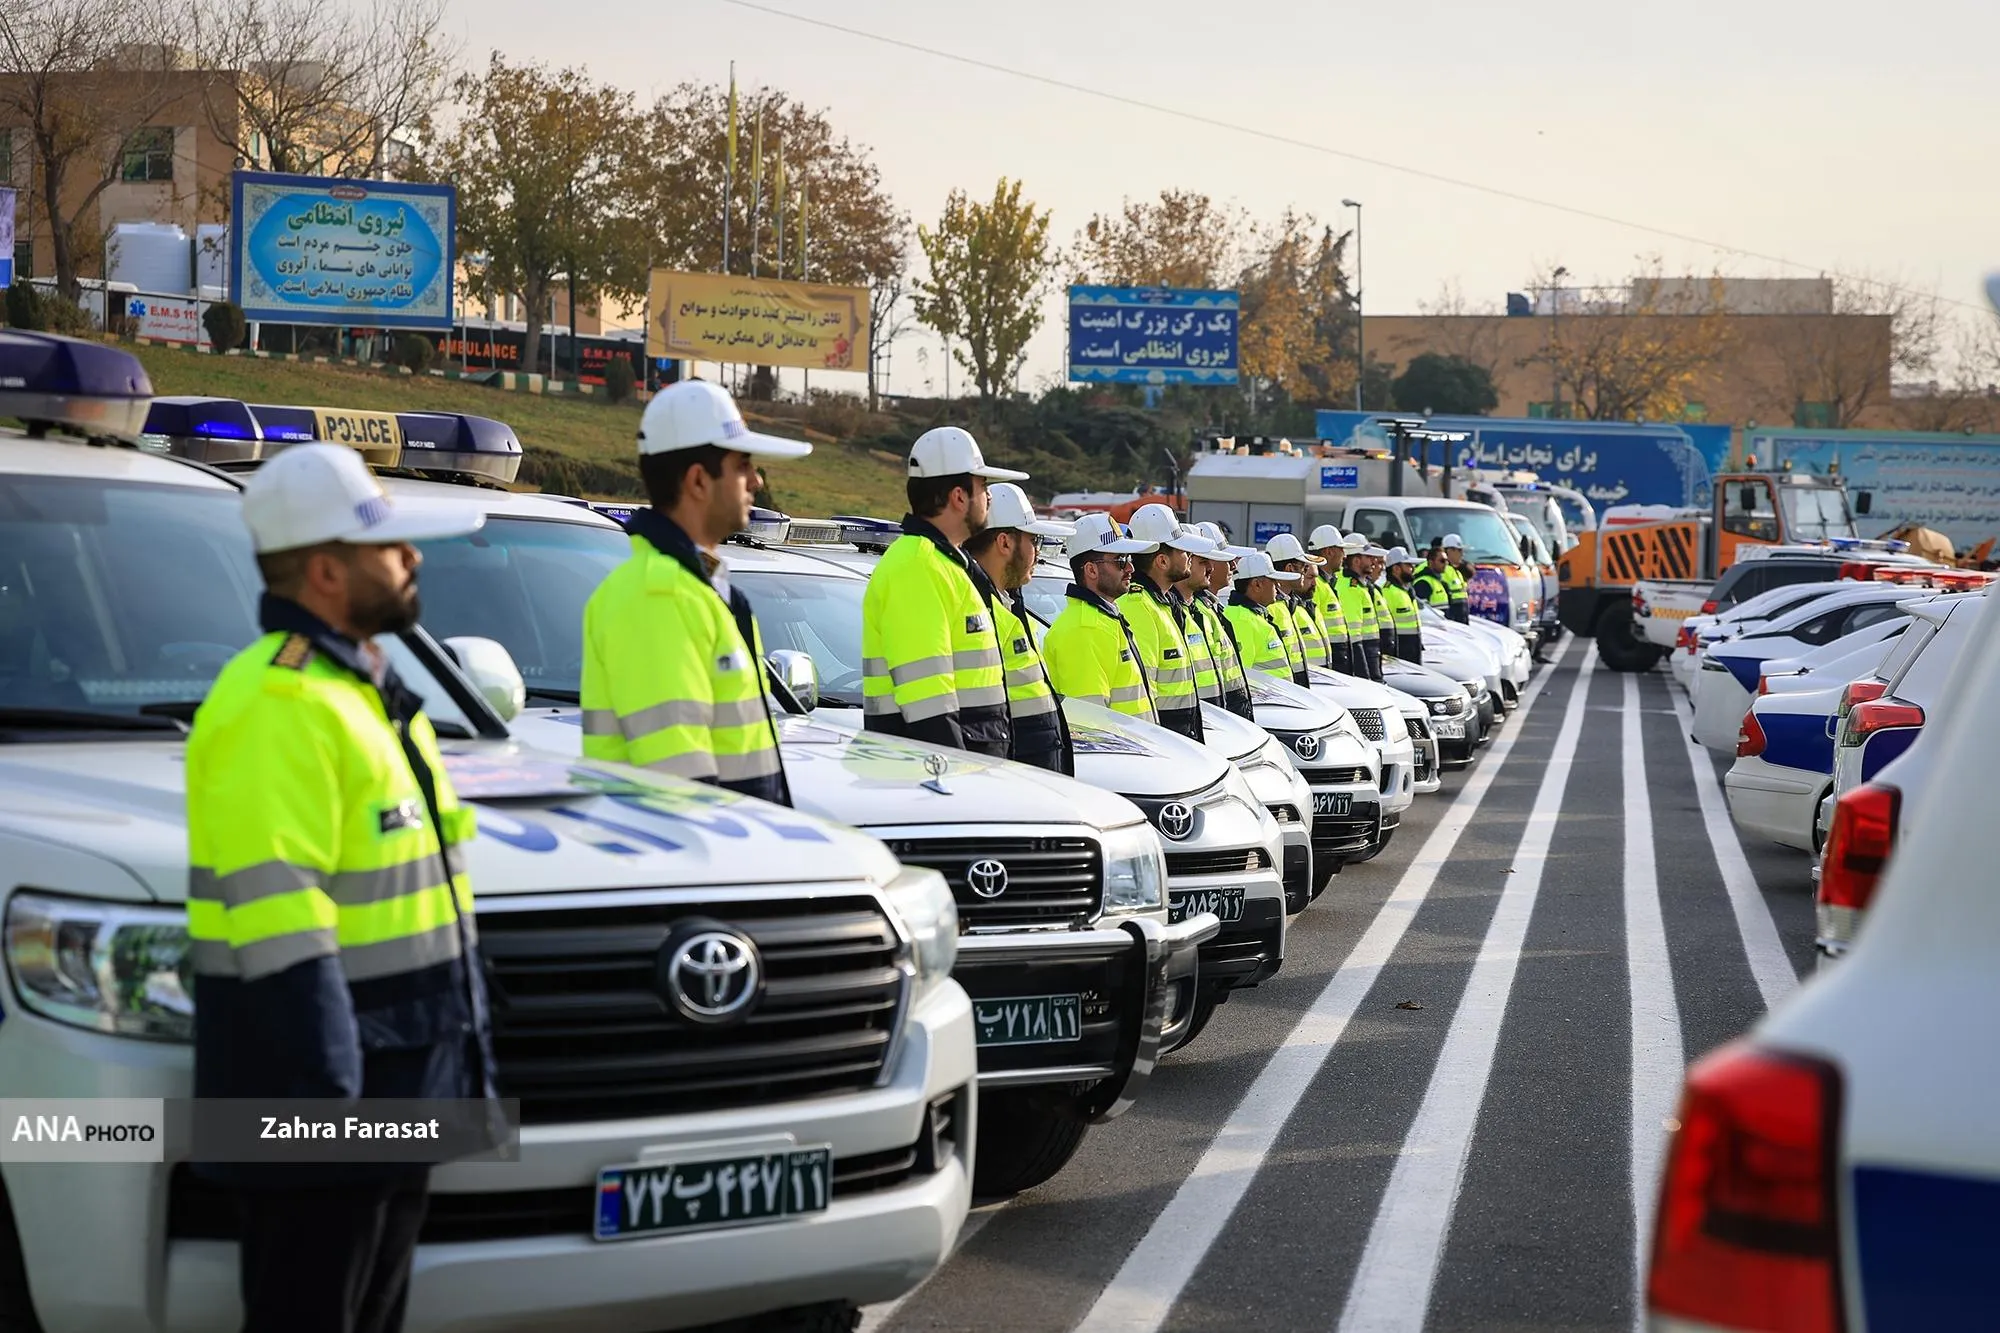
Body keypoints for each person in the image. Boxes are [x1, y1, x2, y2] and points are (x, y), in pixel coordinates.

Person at [186, 443, 498, 1333]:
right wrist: (332, 1105)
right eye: (388, 546)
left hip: (393, 1086)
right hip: (325, 1106)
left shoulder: (357, 689)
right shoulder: (277, 703)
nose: (413, 556)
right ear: (326, 571)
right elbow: (282, 921)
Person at [582, 379, 812, 804]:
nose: (756, 481)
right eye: (742, 465)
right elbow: (682, 794)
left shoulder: (692, 588)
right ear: (698, 481)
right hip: (704, 844)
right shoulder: (658, 596)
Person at [862, 426, 1029, 758]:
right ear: (958, 497)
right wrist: (957, 779)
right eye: (983, 486)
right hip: (931, 775)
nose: (989, 498)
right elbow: (929, 706)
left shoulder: (944, 563)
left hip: (961, 767)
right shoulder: (917, 566)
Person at [964, 482, 1077, 774]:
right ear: (1004, 543)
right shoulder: (976, 613)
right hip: (1012, 779)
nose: (1037, 553)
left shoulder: (1005, 606)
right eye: (1033, 541)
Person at [1042, 513, 1156, 720]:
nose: (1130, 568)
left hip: (1136, 740)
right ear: (1091, 570)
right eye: (1121, 560)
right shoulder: (1084, 629)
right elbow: (1091, 722)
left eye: (1129, 559)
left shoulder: (1103, 619)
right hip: (1123, 742)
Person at [1119, 503, 1215, 741]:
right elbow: (1145, 689)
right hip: (1165, 739)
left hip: (1180, 736)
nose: (1189, 557)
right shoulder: (1139, 606)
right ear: (1162, 561)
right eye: (1183, 551)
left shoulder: (1162, 603)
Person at [1191, 522, 1257, 718]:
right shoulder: (1197, 611)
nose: (1234, 566)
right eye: (1226, 559)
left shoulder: (1210, 608)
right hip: (1213, 720)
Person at [1224, 551, 1305, 681]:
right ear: (1257, 584)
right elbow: (1242, 675)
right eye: (1273, 581)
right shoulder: (1242, 620)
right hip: (1266, 694)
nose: (1278, 585)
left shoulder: (1252, 616)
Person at [1266, 532, 1331, 671]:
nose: (1305, 573)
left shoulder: (1288, 604)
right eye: (1304, 568)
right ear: (1290, 568)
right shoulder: (1271, 606)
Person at [1335, 535, 1385, 682]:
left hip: (1370, 654)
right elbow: (1354, 635)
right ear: (1356, 561)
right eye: (1369, 557)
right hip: (1364, 656)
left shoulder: (1361, 585)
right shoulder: (1350, 587)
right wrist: (1363, 673)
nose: (1374, 561)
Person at [1306, 525, 1354, 674]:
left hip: (1334, 660)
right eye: (1342, 550)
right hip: (1324, 666)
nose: (1344, 556)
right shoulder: (1314, 585)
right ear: (1329, 552)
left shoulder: (1326, 583)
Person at [1381, 546, 1425, 663]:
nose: (1412, 568)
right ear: (1396, 569)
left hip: (1412, 650)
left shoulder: (1406, 591)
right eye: (1408, 565)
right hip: (1399, 654)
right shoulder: (1388, 592)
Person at [1438, 533, 1472, 623]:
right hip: (1451, 621)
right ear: (1449, 551)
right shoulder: (1442, 570)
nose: (1462, 554)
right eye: (1459, 550)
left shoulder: (1456, 571)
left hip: (1461, 619)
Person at [1411, 543, 1454, 614]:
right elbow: (1423, 611)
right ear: (1431, 562)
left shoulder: (1441, 582)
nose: (1446, 564)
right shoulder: (1422, 583)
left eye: (1447, 561)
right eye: (1442, 561)